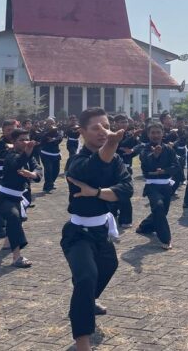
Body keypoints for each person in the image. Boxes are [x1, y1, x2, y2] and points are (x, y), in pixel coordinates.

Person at [61, 107, 133, 351]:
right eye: (96, 128)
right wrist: (111, 146)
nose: (103, 132)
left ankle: (87, 301)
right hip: (78, 234)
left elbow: (126, 190)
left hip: (102, 230)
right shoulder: (76, 161)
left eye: (106, 126)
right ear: (81, 132)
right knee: (86, 277)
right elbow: (91, 169)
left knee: (109, 266)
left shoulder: (117, 160)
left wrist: (97, 193)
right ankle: (82, 341)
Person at [0, 128, 40, 268]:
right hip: (3, 197)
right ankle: (17, 257)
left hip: (19, 197)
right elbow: (16, 164)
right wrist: (27, 153)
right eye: (21, 140)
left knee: (18, 220)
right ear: (13, 141)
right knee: (13, 217)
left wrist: (33, 174)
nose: (25, 142)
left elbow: (37, 168)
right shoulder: (10, 155)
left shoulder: (30, 156)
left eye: (27, 139)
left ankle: (7, 242)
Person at [136, 122, 180, 249]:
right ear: (148, 135)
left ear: (163, 134)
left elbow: (176, 166)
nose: (155, 135)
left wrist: (165, 171)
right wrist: (155, 155)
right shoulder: (144, 149)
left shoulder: (169, 149)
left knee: (161, 211)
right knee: (159, 207)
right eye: (152, 133)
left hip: (166, 186)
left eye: (158, 132)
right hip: (152, 186)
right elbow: (146, 161)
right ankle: (166, 239)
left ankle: (144, 226)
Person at [39, 117, 64, 193]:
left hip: (55, 154)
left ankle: (51, 183)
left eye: (52, 123)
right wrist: (49, 132)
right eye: (49, 123)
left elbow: (60, 137)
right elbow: (42, 139)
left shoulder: (58, 131)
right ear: (46, 124)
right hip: (46, 154)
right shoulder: (44, 131)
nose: (51, 124)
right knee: (48, 170)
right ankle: (47, 187)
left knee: (56, 170)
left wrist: (53, 139)